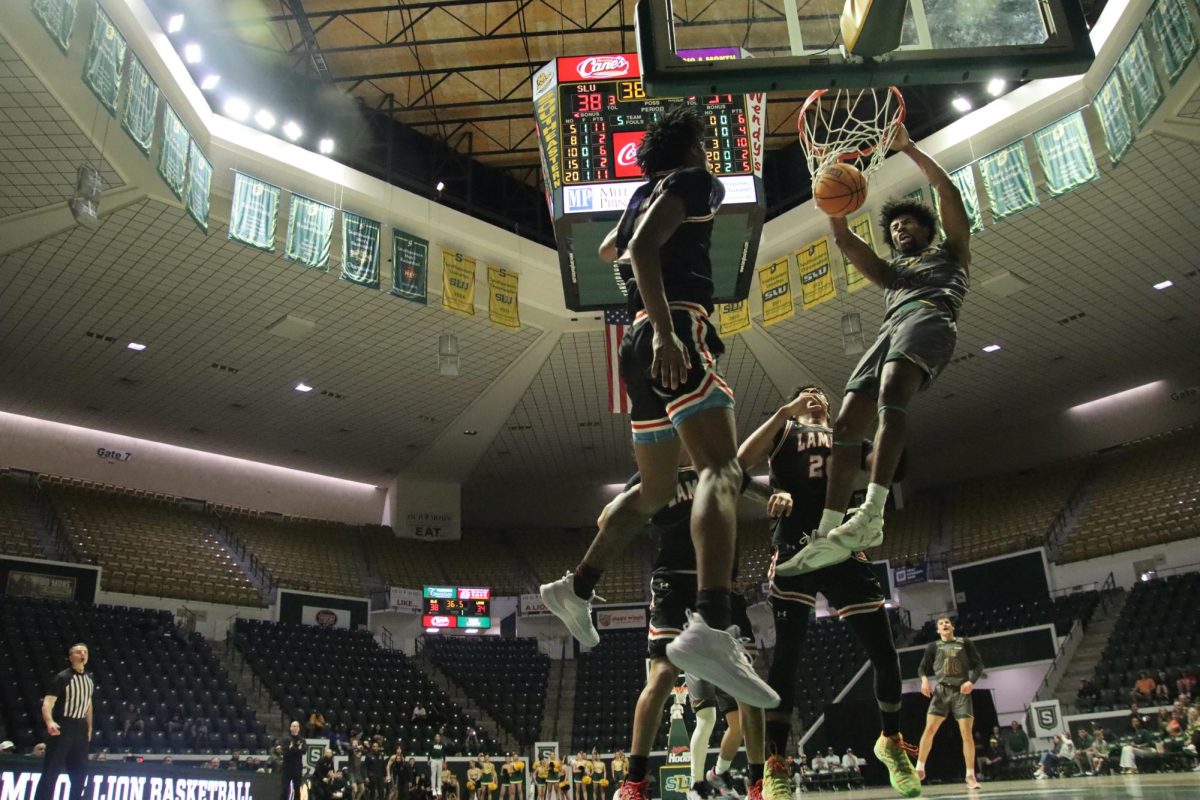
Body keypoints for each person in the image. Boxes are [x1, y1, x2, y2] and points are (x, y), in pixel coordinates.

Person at [537, 106, 778, 710]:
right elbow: (638, 250)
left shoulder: (647, 190)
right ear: (694, 147)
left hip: (636, 343)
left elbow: (608, 248)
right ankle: (713, 626)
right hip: (675, 330)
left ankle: (577, 586)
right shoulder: (696, 181)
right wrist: (671, 333)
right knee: (720, 472)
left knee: (654, 490)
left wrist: (652, 311)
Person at [778, 122, 971, 575]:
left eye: (909, 223)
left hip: (930, 316)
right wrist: (830, 200)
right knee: (845, 423)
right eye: (896, 227)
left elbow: (948, 193)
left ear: (928, 229)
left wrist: (909, 148)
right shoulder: (892, 274)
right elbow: (844, 240)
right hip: (893, 326)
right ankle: (827, 531)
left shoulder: (951, 253)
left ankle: (873, 513)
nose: (901, 229)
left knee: (891, 395)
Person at [737, 384, 918, 798]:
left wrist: (897, 427)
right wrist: (770, 490)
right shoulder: (784, 430)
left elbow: (888, 466)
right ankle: (776, 762)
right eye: (806, 393)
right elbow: (738, 466)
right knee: (786, 658)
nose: (814, 395)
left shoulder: (847, 435)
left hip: (840, 544)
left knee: (884, 651)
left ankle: (890, 742)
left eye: (820, 392)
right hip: (793, 547)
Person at [601, 455, 771, 800]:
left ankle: (758, 784)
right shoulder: (653, 473)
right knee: (662, 676)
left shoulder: (722, 463)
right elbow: (606, 519)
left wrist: (779, 497)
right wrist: (625, 503)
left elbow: (765, 494)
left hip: (721, 585)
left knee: (748, 688)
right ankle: (634, 781)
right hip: (674, 585)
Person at [915, 617, 985, 790]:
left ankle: (970, 775)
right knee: (929, 730)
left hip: (961, 691)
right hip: (941, 692)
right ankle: (919, 768)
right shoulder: (933, 646)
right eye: (940, 624)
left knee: (966, 733)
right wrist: (924, 681)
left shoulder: (965, 643)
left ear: (952, 627)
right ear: (938, 631)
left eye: (947, 622)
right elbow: (922, 668)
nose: (944, 624)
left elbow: (979, 665)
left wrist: (972, 681)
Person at [33, 644, 94, 800]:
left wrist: (89, 728)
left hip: (80, 727)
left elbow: (88, 704)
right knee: (51, 770)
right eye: (79, 652)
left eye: (85, 652)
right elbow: (47, 703)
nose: (83, 654)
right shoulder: (62, 677)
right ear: (71, 656)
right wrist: (50, 722)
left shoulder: (89, 678)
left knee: (80, 772)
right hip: (63, 725)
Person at [282, 721, 306, 800]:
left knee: (297, 789)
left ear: (299, 728)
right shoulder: (286, 739)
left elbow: (303, 751)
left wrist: (292, 748)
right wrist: (297, 749)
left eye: (296, 726)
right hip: (287, 767)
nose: (295, 728)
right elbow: (285, 752)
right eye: (293, 726)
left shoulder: (302, 740)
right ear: (290, 728)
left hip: (297, 768)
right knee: (285, 789)